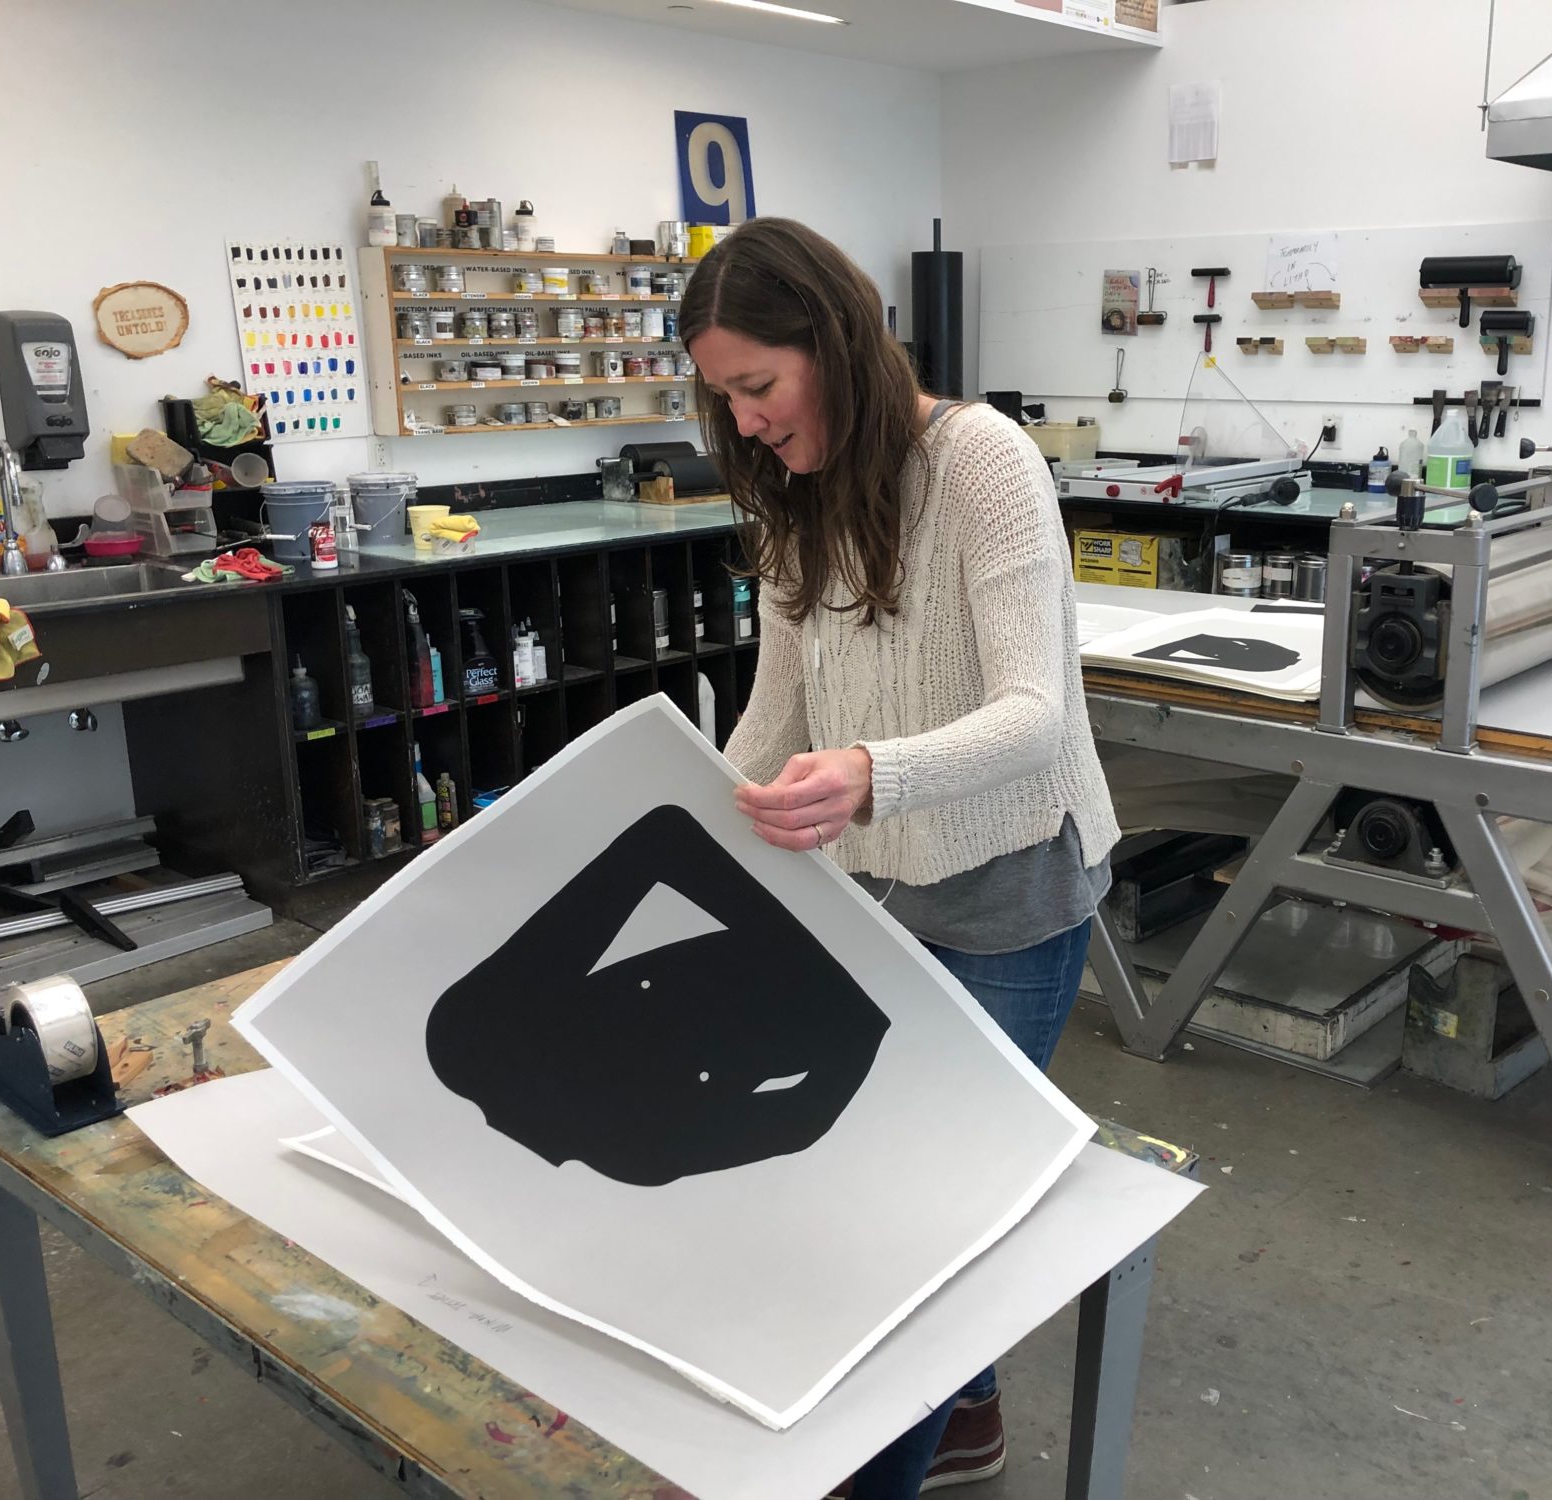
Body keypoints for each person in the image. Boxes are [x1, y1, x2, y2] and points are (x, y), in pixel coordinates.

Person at [683, 217, 1119, 1498]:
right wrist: (677, 815)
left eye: (759, 385)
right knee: (874, 1182)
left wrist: (875, 773)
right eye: (724, 398)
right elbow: (777, 712)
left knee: (933, 1222)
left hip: (1006, 883)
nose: (747, 421)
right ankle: (969, 1419)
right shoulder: (788, 497)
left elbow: (1034, 712)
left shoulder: (978, 459)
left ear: (834, 343)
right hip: (868, 881)